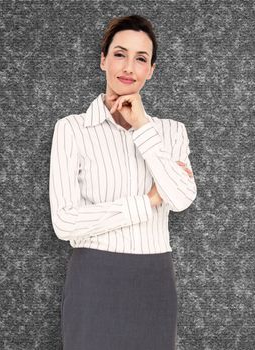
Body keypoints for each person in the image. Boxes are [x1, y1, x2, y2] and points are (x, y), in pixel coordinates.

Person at [48, 14, 197, 349]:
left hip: (154, 278)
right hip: (94, 278)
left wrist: (143, 126)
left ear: (151, 70)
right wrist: (146, 203)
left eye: (141, 58)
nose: (129, 66)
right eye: (119, 54)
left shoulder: (172, 132)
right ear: (103, 60)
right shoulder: (72, 129)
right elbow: (65, 222)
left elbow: (181, 197)